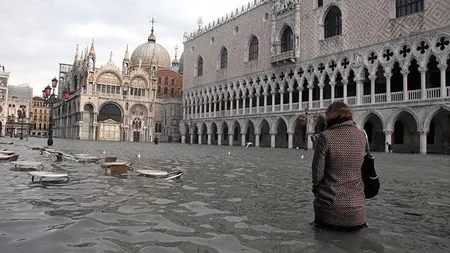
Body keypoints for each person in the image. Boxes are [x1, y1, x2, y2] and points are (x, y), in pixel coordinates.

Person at [311, 102, 367, 231]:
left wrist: (316, 190)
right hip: (358, 211)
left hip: (329, 209)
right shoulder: (362, 136)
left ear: (331, 116)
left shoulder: (325, 136)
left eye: (326, 114)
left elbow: (317, 172)